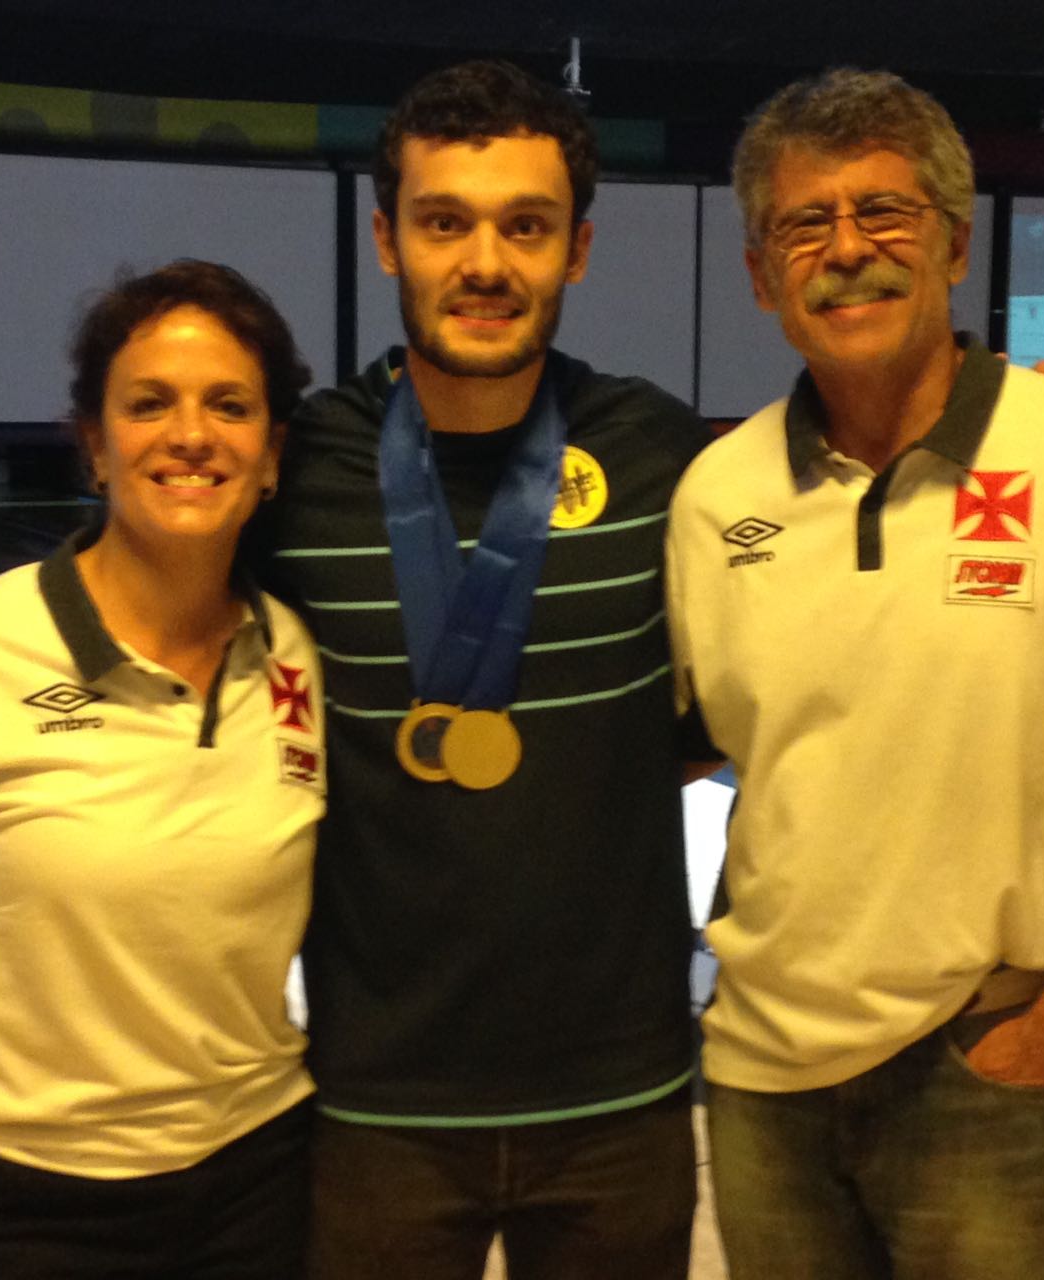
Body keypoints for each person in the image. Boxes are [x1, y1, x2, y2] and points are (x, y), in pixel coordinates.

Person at [666, 68, 1044, 1280]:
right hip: (762, 1081)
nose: (846, 249)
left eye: (882, 211)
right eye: (803, 224)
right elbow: (692, 742)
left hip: (994, 1066)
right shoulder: (715, 494)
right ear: (759, 275)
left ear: (954, 243)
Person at [260, 60, 710, 1280]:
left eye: (525, 225)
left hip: (619, 1097)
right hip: (377, 1101)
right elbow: (146, 613)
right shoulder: (300, 469)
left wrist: (1023, 420)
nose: (484, 262)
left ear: (576, 249)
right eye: (443, 222)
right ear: (386, 239)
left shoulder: (662, 454)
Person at [0, 260, 325, 1279]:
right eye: (149, 404)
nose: (191, 434)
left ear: (270, 455)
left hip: (259, 1179)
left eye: (229, 405)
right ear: (97, 447)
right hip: (18, 1198)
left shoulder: (297, 659)